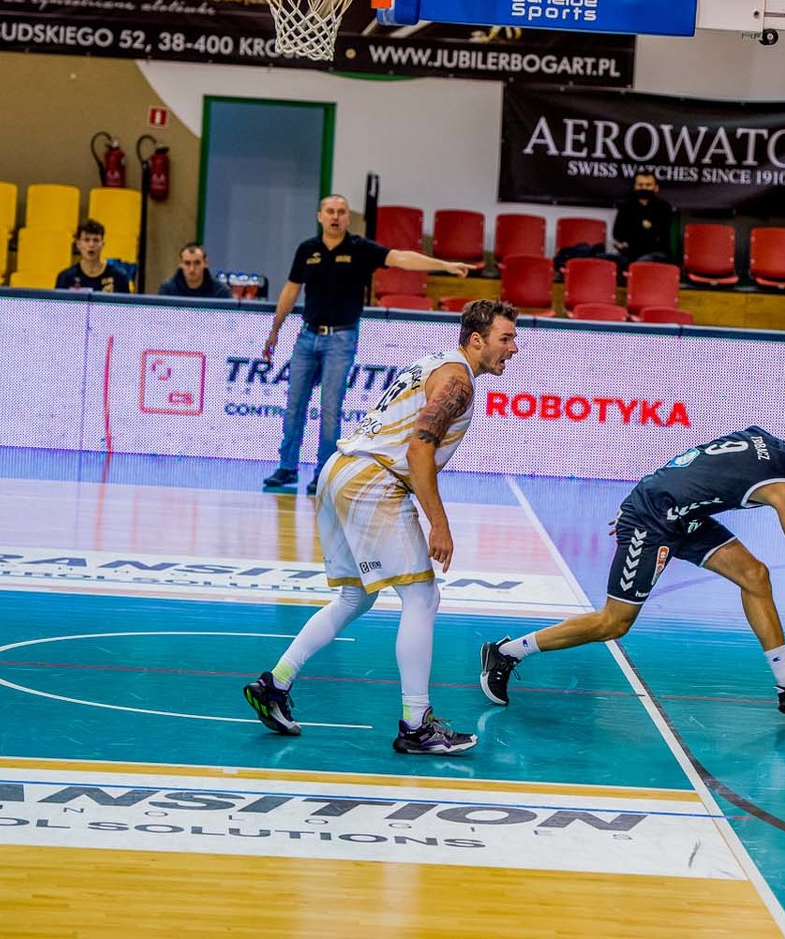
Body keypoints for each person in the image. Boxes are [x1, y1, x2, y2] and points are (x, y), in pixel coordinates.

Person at [244, 299, 521, 755]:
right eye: (505, 338)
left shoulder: (436, 363)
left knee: (356, 597)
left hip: (340, 471)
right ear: (477, 340)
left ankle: (275, 683)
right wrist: (439, 523)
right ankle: (416, 724)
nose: (514, 348)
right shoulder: (457, 381)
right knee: (423, 597)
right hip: (373, 480)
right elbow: (418, 450)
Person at [479, 417, 785, 713]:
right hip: (655, 521)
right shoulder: (784, 491)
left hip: (679, 515)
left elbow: (692, 463)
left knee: (755, 575)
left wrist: (645, 497)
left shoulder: (758, 437)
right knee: (614, 623)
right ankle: (505, 652)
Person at [261, 194, 475, 496]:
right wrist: (275, 329)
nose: (335, 216)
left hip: (341, 338)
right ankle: (286, 467)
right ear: (320, 216)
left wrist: (444, 265)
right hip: (307, 336)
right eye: (330, 211)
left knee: (330, 408)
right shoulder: (307, 250)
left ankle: (323, 472)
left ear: (348, 217)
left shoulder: (359, 249)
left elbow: (401, 258)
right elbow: (291, 289)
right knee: (294, 404)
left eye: (341, 211)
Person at [611, 168, 676, 270]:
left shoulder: (663, 207)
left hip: (656, 254)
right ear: (634, 187)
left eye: (648, 185)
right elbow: (617, 234)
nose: (644, 188)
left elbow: (657, 237)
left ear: (656, 188)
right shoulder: (626, 206)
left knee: (639, 264)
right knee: (604, 259)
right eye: (640, 185)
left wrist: (631, 239)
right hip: (629, 254)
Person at [54, 219, 132, 293]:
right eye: (87, 240)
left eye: (96, 240)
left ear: (102, 244)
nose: (91, 245)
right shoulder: (66, 278)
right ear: (78, 244)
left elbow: (125, 302)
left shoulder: (119, 277)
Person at [157, 242, 231, 298]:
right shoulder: (168, 290)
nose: (192, 269)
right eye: (187, 263)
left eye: (197, 263)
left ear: (205, 263)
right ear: (180, 264)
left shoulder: (221, 292)